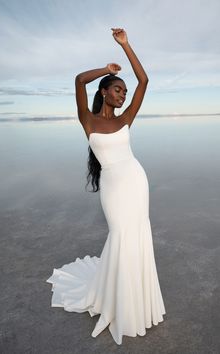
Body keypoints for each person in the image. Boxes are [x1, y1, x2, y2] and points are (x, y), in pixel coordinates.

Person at [46, 28, 166, 345]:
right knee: (120, 234)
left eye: (124, 92)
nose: (123, 94)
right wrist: (106, 69)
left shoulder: (126, 118)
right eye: (117, 89)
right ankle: (120, 299)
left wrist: (127, 46)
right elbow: (78, 81)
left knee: (137, 234)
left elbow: (145, 81)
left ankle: (137, 301)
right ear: (104, 92)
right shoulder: (87, 119)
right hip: (114, 185)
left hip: (136, 181)